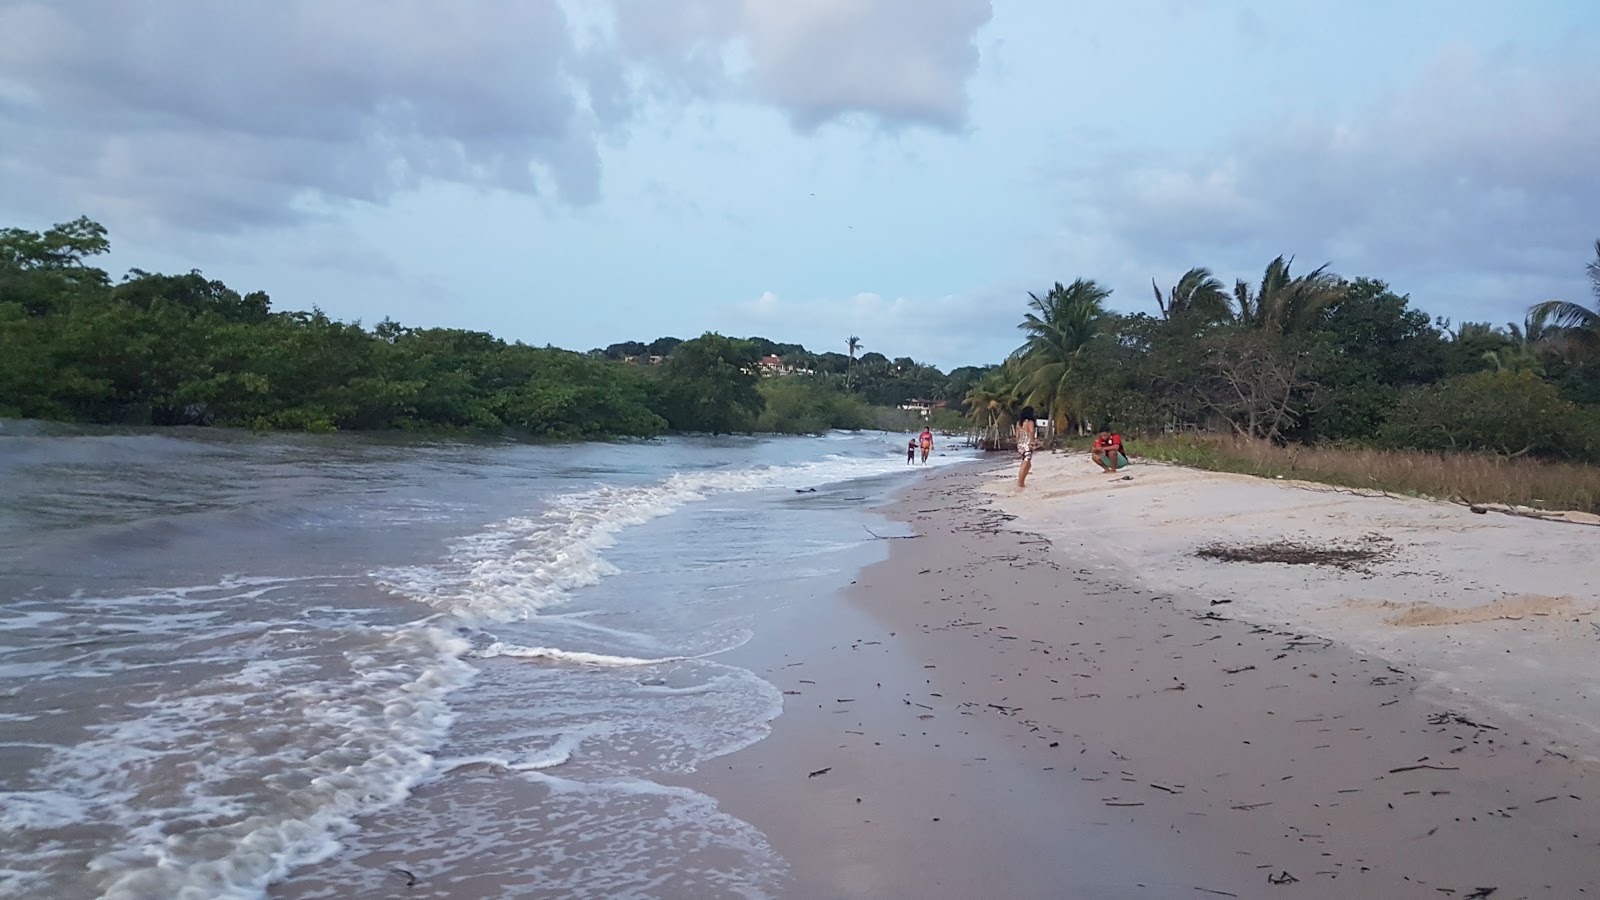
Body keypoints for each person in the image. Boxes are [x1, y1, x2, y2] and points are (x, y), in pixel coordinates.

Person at [1015, 406, 1037, 489]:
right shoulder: (1030, 422)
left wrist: (1018, 443)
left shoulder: (1019, 423)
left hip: (1020, 444)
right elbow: (1031, 432)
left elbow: (1017, 435)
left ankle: (1021, 482)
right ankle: (1020, 483)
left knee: (1027, 464)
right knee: (1025, 464)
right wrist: (1032, 442)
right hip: (1027, 444)